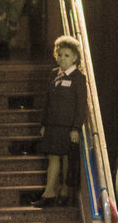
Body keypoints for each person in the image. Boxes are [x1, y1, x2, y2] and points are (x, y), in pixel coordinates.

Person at [34, 35, 87, 208]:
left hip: (67, 127)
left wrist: (75, 128)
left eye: (67, 56)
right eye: (60, 54)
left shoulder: (78, 78)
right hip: (52, 125)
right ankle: (50, 193)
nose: (62, 59)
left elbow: (81, 105)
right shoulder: (53, 75)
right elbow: (47, 101)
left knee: (65, 159)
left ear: (74, 58)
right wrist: (43, 124)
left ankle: (63, 192)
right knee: (53, 157)